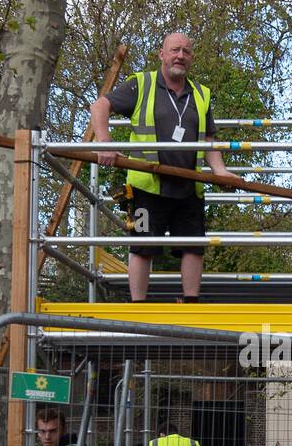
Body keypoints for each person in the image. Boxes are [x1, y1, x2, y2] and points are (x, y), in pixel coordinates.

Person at [90, 32, 232, 303]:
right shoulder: (141, 84)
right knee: (142, 246)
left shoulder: (201, 94)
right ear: (162, 55)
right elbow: (99, 106)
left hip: (189, 186)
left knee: (193, 247)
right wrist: (104, 143)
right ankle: (138, 307)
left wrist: (219, 170)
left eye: (186, 51)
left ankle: (190, 305)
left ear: (191, 58)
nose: (181, 55)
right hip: (146, 186)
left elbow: (209, 139)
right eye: (175, 50)